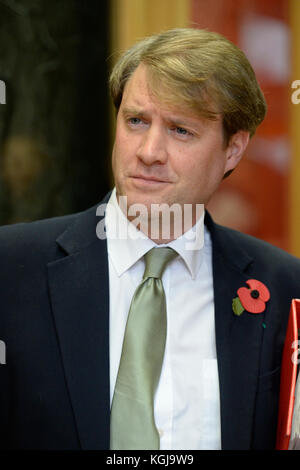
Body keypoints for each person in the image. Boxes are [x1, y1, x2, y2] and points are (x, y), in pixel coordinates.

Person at [0, 27, 300, 451]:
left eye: (181, 130)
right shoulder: (11, 270)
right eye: (136, 121)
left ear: (233, 150)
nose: (149, 151)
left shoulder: (285, 287)